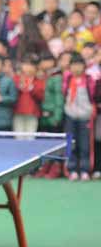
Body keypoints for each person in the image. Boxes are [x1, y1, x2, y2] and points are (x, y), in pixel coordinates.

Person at [63, 53, 95, 181]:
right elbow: (64, 94)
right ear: (70, 67)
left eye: (79, 65)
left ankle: (84, 170)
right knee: (70, 143)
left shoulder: (89, 80)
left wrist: (89, 112)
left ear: (84, 66)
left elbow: (93, 96)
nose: (76, 68)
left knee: (85, 144)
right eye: (74, 65)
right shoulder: (67, 79)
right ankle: (71, 170)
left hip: (84, 117)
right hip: (70, 116)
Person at [35, 53, 65, 179]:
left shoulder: (56, 78)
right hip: (44, 116)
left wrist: (57, 117)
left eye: (48, 61)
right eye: (43, 61)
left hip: (53, 116)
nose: (45, 64)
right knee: (44, 144)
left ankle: (55, 168)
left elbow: (59, 99)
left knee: (56, 144)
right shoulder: (42, 77)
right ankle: (45, 166)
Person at [13, 54, 45, 137]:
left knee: (30, 137)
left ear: (36, 68)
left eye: (31, 65)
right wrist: (19, 87)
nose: (28, 67)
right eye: (25, 64)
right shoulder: (16, 78)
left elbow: (41, 96)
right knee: (18, 137)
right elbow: (12, 95)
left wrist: (32, 88)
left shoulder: (38, 81)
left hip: (32, 113)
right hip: (18, 112)